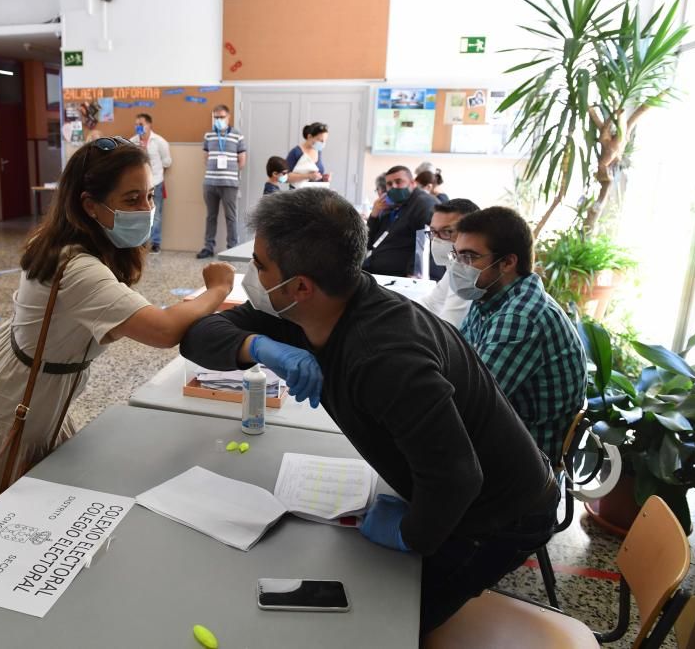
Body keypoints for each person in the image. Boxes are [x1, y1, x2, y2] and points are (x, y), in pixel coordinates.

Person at [179, 188, 558, 637]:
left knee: (384, 629)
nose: (252, 277)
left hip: (495, 515)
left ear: (301, 286)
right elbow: (198, 334)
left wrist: (410, 535)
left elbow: (457, 476)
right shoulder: (307, 308)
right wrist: (255, 345)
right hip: (446, 487)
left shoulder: (384, 354)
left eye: (260, 267)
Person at [0, 137, 236, 530]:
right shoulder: (78, 267)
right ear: (89, 205)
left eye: (150, 196)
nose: (147, 210)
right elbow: (163, 329)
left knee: (39, 500)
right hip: (18, 400)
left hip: (40, 388)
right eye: (132, 199)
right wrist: (218, 290)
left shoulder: (79, 242)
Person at [452, 207, 587, 463]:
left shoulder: (520, 318)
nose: (458, 267)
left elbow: (468, 404)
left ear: (507, 262)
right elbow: (456, 362)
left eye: (469, 257)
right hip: (503, 434)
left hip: (524, 462)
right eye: (456, 256)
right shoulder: (488, 297)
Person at [364, 165, 437, 277]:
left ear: (412, 183)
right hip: (375, 268)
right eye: (389, 184)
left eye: (399, 182)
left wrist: (414, 273)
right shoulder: (395, 205)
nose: (393, 186)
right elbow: (369, 242)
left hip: (400, 278)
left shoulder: (423, 204)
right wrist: (374, 214)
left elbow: (427, 244)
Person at [416, 198, 479, 327]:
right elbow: (431, 303)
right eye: (433, 232)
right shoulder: (455, 263)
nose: (437, 240)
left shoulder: (469, 270)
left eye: (447, 232)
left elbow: (449, 326)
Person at [198, 104, 246, 259]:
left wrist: (229, 172)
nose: (218, 120)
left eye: (221, 117)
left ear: (228, 117)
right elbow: (205, 157)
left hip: (229, 183)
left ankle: (232, 249)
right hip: (210, 182)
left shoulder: (237, 135)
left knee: (231, 216)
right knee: (210, 216)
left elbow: (242, 161)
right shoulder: (209, 135)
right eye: (216, 117)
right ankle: (208, 247)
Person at [129, 113, 172, 254]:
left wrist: (155, 177)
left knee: (156, 214)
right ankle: (140, 243)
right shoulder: (132, 142)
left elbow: (167, 162)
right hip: (137, 185)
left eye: (141, 124)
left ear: (149, 125)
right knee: (139, 213)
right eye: (136, 124)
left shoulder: (159, 141)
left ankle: (155, 243)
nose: (138, 127)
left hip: (156, 182)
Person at [285, 122, 330, 187]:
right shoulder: (295, 152)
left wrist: (323, 178)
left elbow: (316, 175)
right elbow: (284, 178)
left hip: (315, 193)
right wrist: (308, 176)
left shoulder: (318, 151)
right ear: (309, 137)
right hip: (298, 195)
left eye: (325, 141)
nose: (323, 143)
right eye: (320, 140)